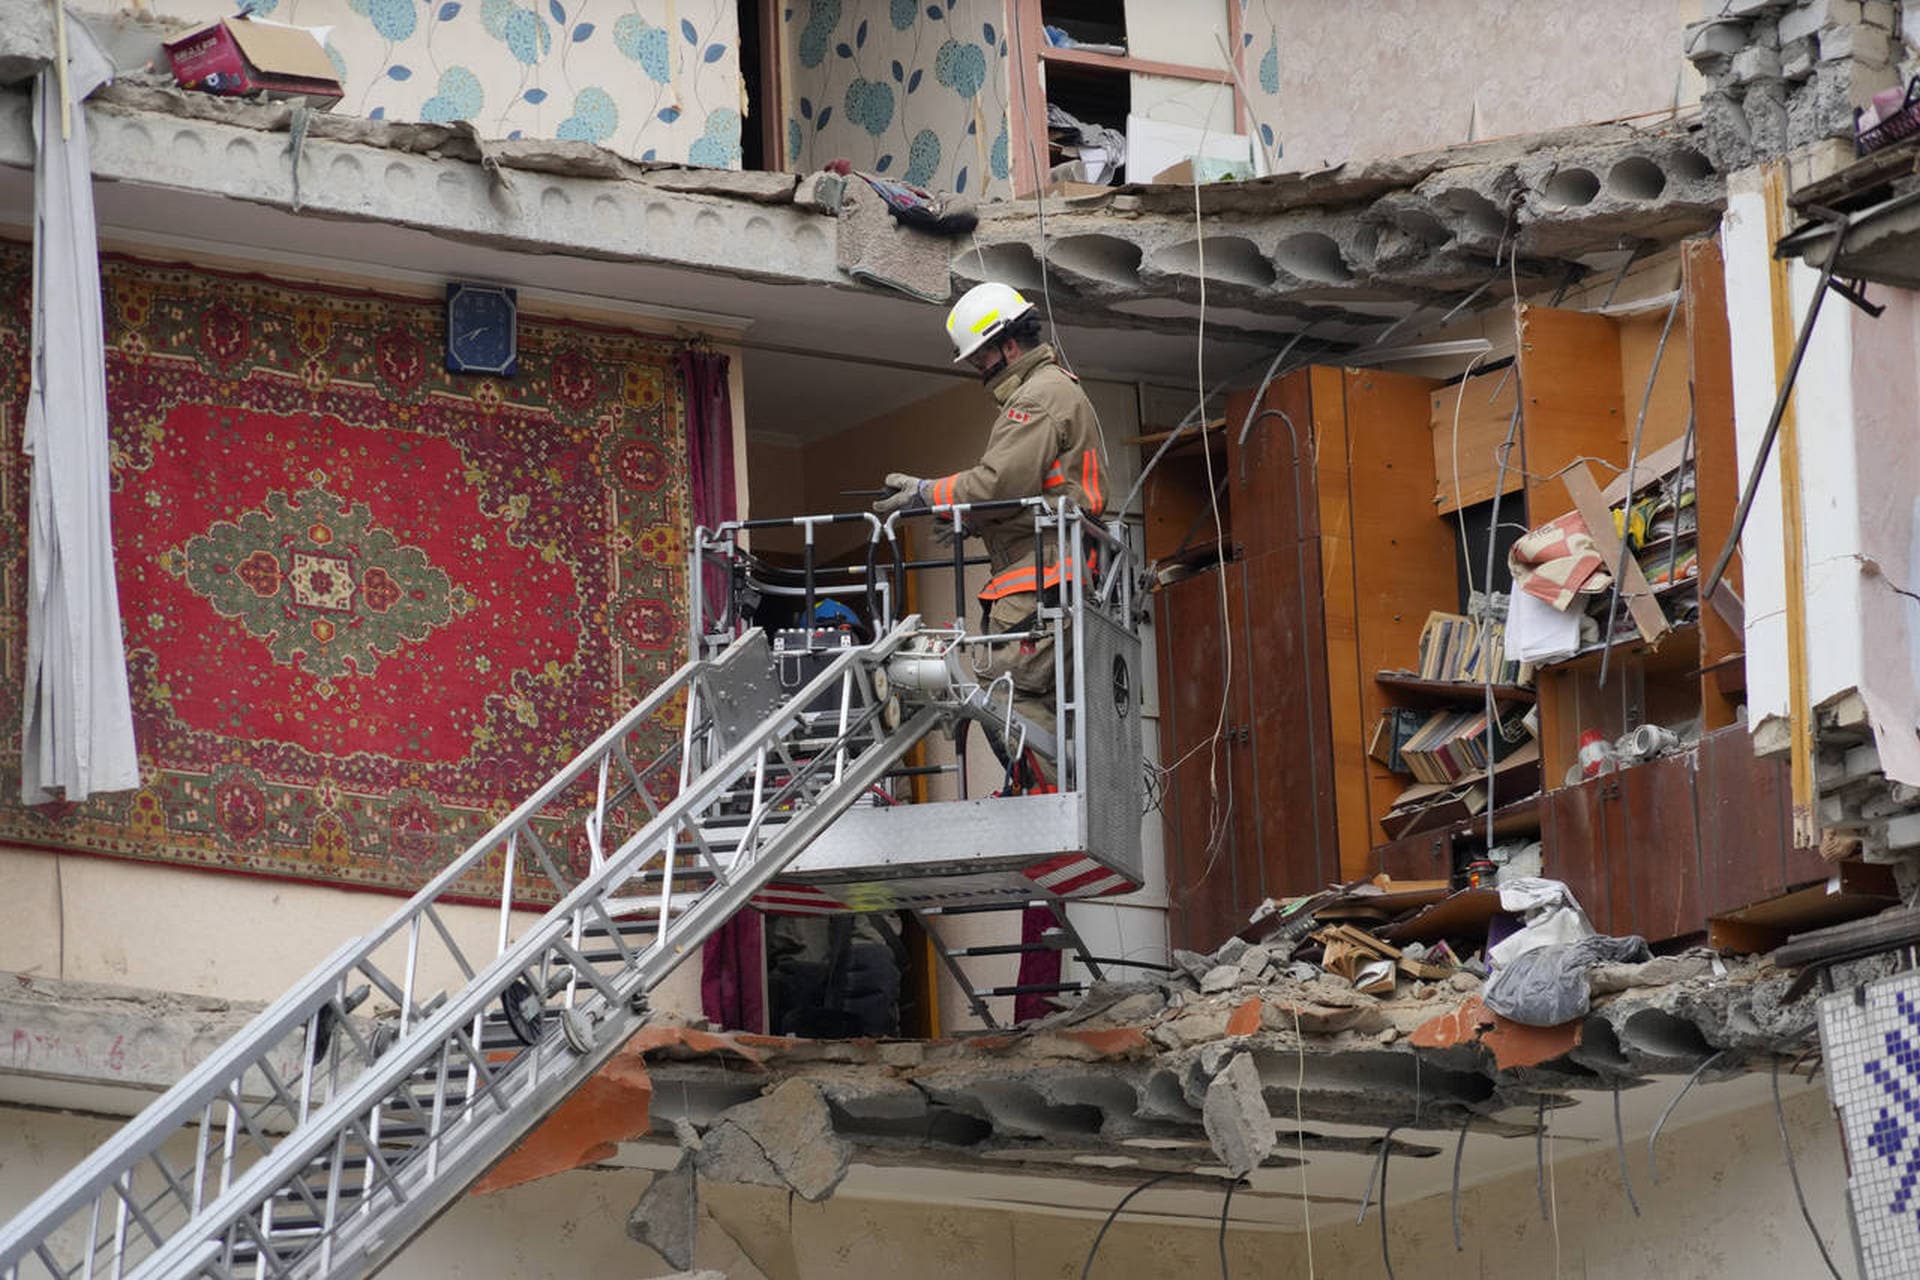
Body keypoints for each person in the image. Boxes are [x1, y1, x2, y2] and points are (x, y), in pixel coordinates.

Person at [872, 282, 1104, 772]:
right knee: (1030, 696)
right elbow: (1036, 491)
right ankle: (1048, 789)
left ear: (1009, 345)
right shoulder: (1055, 388)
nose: (980, 369)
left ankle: (1042, 795)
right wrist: (970, 522)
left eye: (981, 358)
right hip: (1058, 568)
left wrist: (926, 494)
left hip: (1041, 574)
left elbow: (998, 484)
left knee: (1005, 690)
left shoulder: (1036, 398)